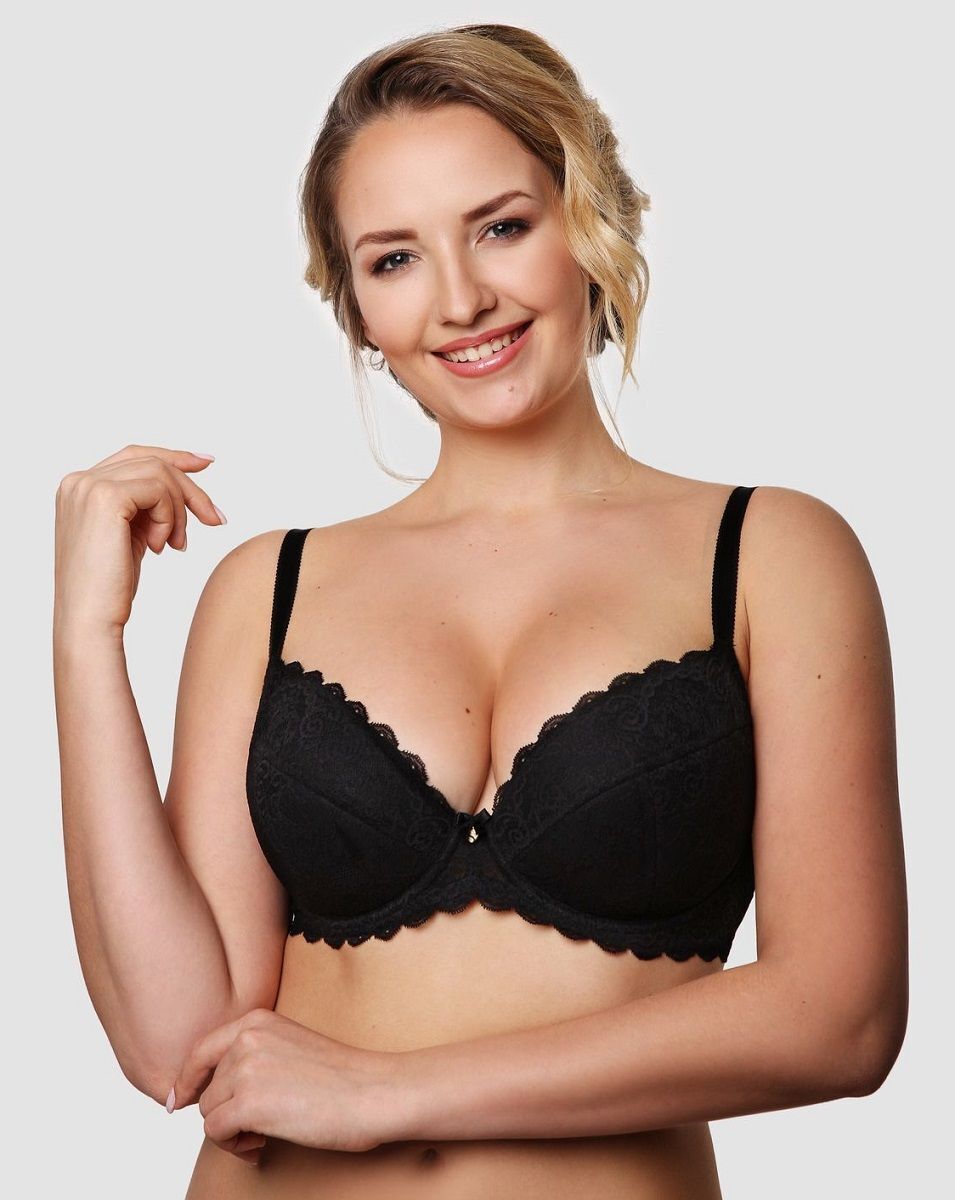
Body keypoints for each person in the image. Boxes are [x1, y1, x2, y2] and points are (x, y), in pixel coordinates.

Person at [52, 23, 908, 1200]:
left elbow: (840, 1018)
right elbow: (180, 1045)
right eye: (393, 259)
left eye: (501, 227)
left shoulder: (770, 555)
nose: (460, 300)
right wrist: (85, 638)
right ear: (357, 309)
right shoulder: (268, 588)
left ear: (589, 222)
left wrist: (387, 1092)